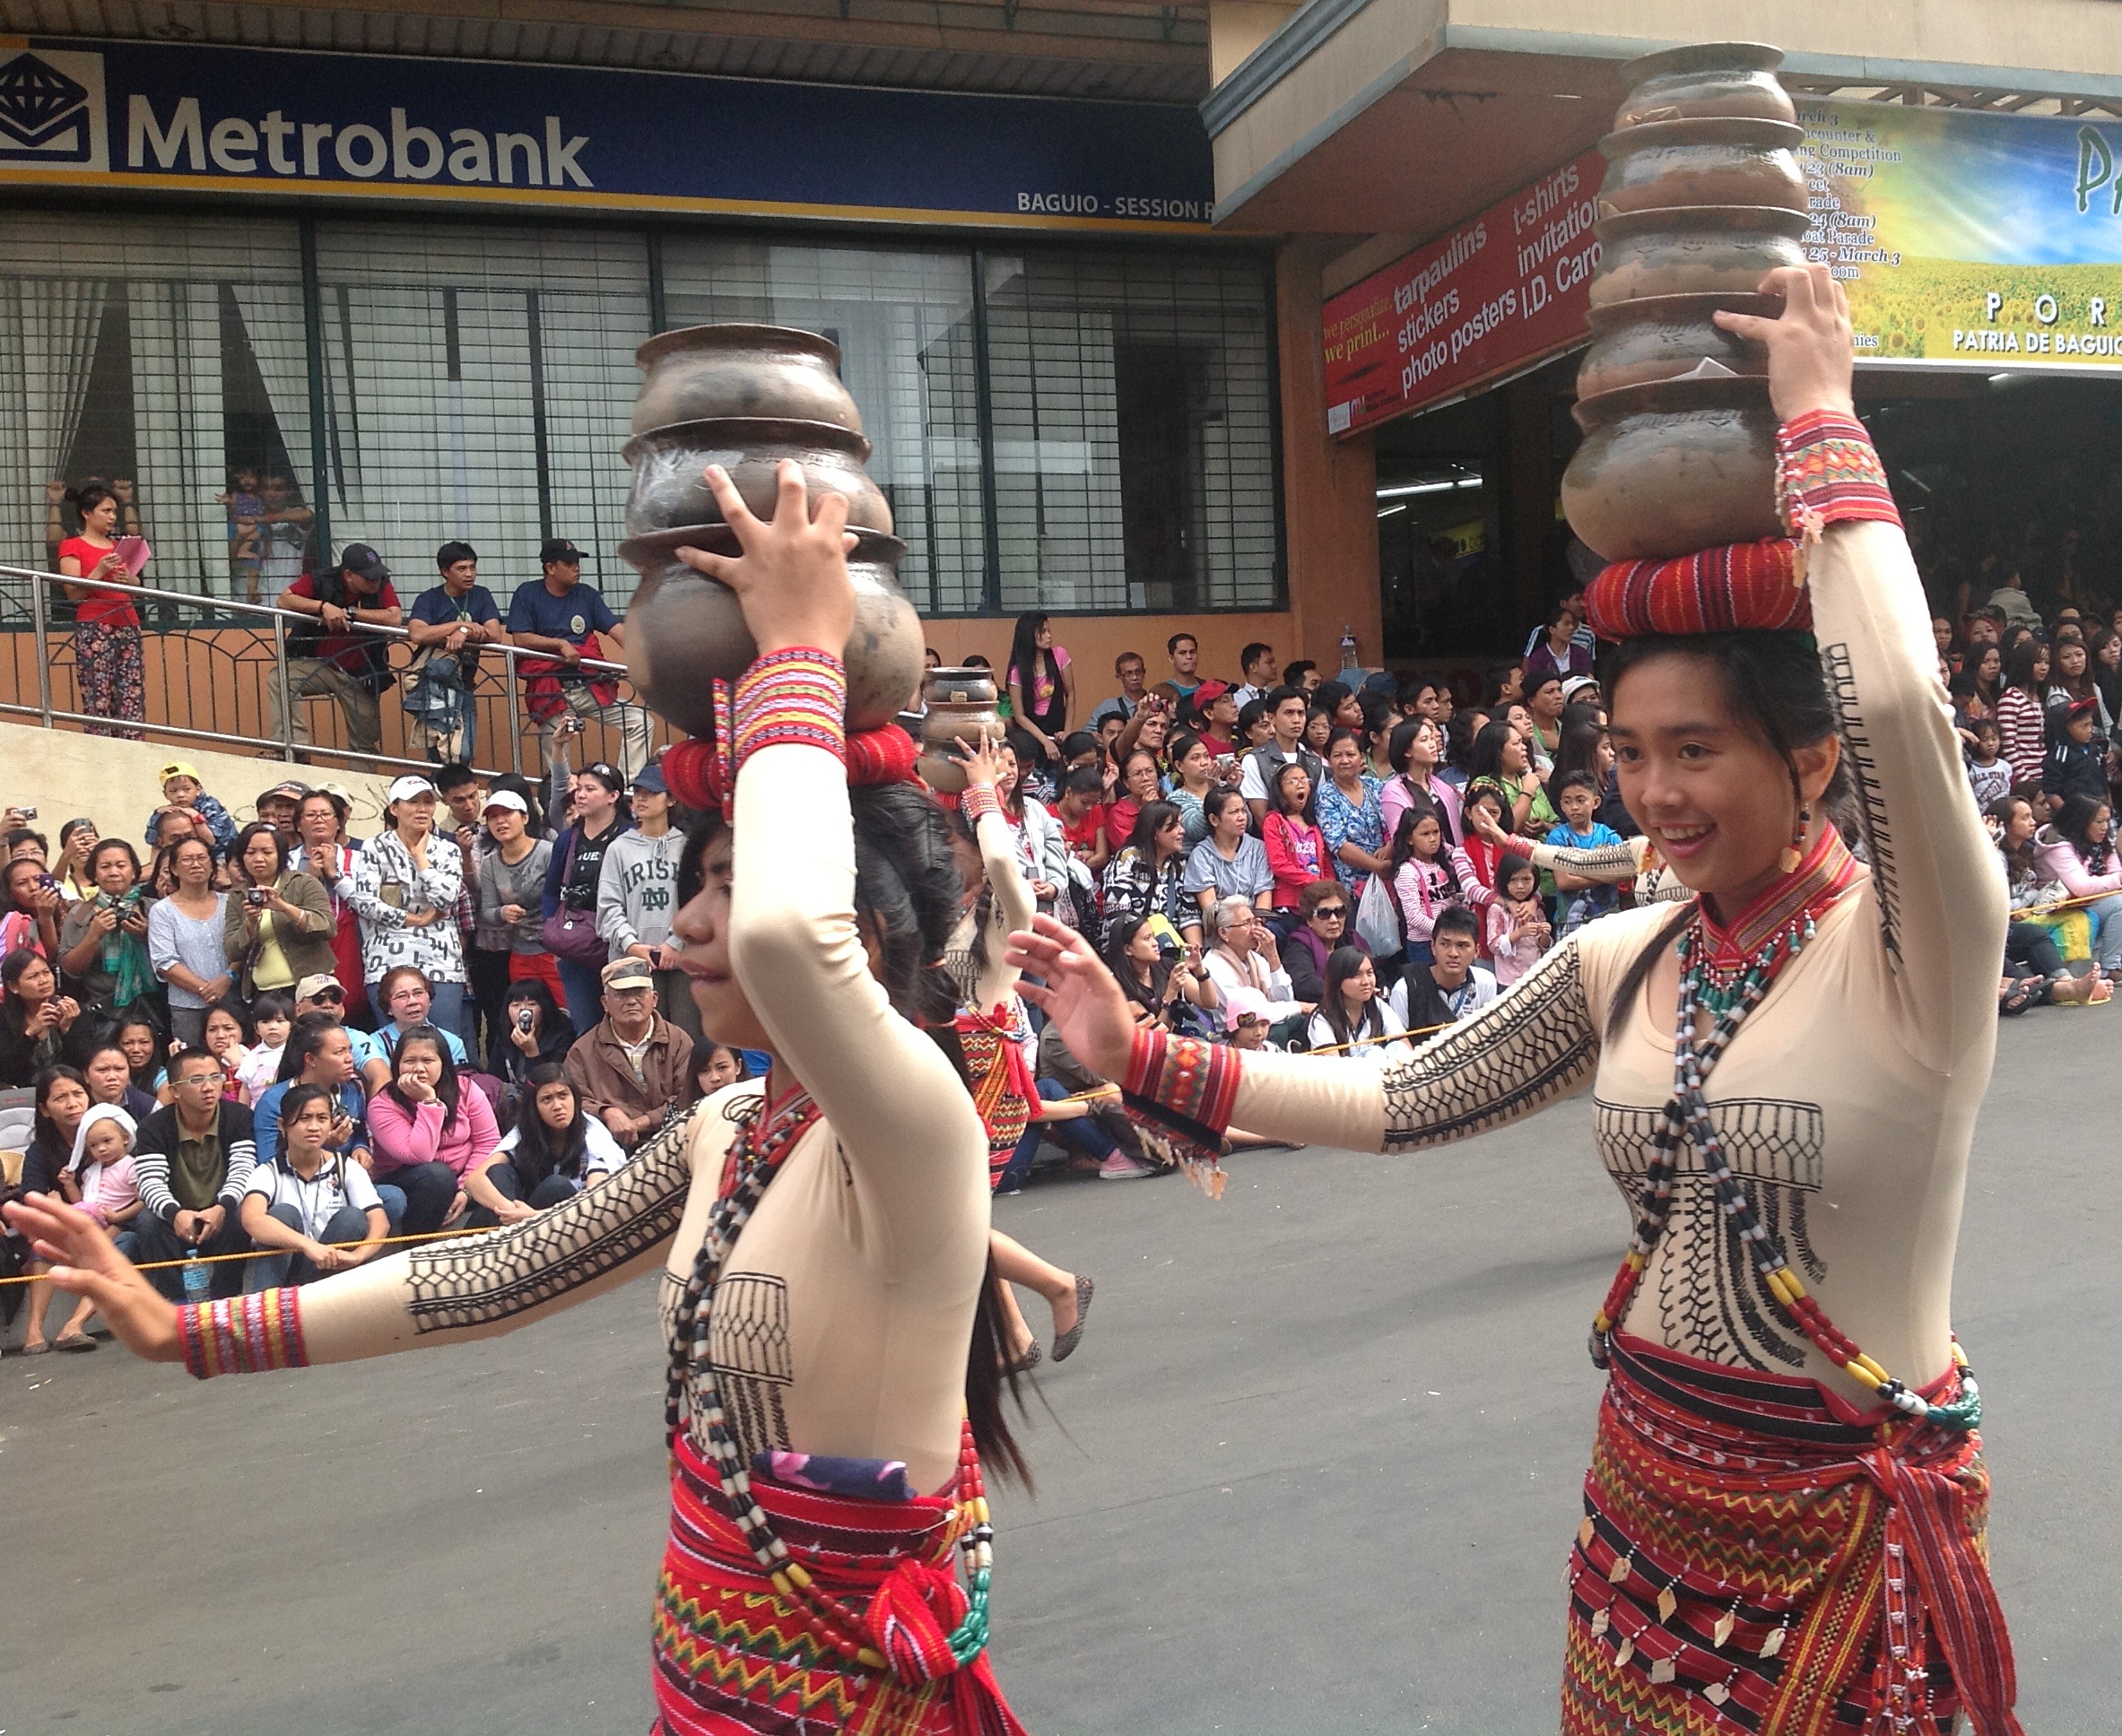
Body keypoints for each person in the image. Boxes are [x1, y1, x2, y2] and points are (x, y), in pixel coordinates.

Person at [1009, 271, 2024, 1736]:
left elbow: (1900, 714)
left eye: (1696, 750)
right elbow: (1406, 1094)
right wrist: (1140, 1052)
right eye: (1627, 749)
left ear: (1809, 759)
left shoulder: (1914, 952)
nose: (1654, 792)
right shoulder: (1629, 960)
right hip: (1641, 1537)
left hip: (1833, 1546)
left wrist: (1818, 424)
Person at [4, 460, 1031, 1735]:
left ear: (861, 933)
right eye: (696, 887)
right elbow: (490, 1278)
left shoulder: (915, 1127)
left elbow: (782, 938)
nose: (688, 926)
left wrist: (803, 649)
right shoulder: (731, 1129)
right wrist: (195, 1338)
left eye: (720, 883)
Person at [507, 537, 649, 777]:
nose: (576, 567)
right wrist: (560, 644)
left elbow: (616, 631)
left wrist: (647, 657)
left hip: (589, 686)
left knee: (640, 721)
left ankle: (624, 790)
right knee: (556, 746)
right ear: (550, 568)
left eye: (577, 562)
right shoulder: (527, 593)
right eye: (569, 562)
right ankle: (563, 800)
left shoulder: (586, 594)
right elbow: (520, 638)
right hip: (551, 690)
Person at [127, 1047, 259, 1300]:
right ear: (175, 1090)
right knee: (148, 1222)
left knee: (241, 1214)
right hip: (178, 1218)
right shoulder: (153, 1127)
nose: (209, 1087)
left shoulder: (239, 1117)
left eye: (215, 1077)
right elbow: (149, 1182)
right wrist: (175, 1213)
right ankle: (174, 1302)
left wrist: (222, 1207)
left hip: (221, 1211)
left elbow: (243, 1169)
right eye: (196, 1080)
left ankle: (226, 1299)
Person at [349, 775, 467, 1040]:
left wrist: (420, 859)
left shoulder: (448, 850)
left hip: (440, 959)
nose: (422, 809)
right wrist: (415, 919)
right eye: (413, 802)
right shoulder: (375, 847)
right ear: (394, 808)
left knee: (444, 1042)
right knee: (397, 1042)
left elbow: (448, 898)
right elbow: (366, 902)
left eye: (428, 802)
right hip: (386, 959)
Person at [239, 1082, 390, 1289]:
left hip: (333, 1273)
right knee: (283, 1213)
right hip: (286, 1275)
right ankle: (267, 1312)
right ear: (282, 1126)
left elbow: (379, 1221)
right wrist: (308, 1246)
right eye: (304, 1118)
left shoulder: (347, 1168)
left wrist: (357, 1256)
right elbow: (252, 1220)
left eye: (322, 1119)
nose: (314, 1127)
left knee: (352, 1217)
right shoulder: (268, 1172)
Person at [273, 542, 404, 754]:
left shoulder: (381, 585)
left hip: (362, 673)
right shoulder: (321, 579)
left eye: (378, 576)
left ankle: (362, 782)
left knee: (364, 743)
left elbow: (394, 617)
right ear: (349, 574)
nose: (375, 582)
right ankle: (294, 747)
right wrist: (323, 607)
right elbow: (284, 599)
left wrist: (349, 613)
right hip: (319, 666)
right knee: (280, 678)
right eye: (368, 577)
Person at [365, 1025, 496, 1234]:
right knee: (437, 1176)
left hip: (464, 1178)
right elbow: (418, 1155)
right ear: (396, 1065)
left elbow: (487, 1141)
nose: (418, 1068)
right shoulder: (383, 1104)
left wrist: (467, 1188)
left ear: (443, 1063)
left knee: (501, 1170)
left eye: (428, 1060)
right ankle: (416, 1243)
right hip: (408, 1180)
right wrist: (429, 1103)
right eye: (409, 1061)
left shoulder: (466, 1088)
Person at [596, 764, 694, 1041]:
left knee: (686, 1037)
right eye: (637, 792)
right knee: (642, 1038)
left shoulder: (686, 846)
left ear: (671, 799)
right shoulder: (619, 848)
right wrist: (631, 944)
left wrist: (675, 943)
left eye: (651, 792)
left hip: (682, 958)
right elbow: (608, 906)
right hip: (631, 959)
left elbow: (696, 902)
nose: (641, 799)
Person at [463, 1063, 626, 1227]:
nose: (557, 1106)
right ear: (534, 1107)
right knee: (499, 1171)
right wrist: (511, 1211)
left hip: (576, 1222)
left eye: (563, 1096)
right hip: (521, 1218)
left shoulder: (593, 1134)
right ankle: (504, 1239)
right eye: (546, 1099)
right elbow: (474, 1180)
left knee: (556, 1185)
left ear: (575, 1099)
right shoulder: (525, 1130)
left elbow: (594, 1204)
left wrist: (532, 1216)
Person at [563, 955, 696, 1152]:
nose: (632, 1001)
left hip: (674, 1141)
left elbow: (689, 1096)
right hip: (608, 1147)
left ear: (655, 999)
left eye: (639, 992)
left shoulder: (679, 1041)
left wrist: (642, 1122)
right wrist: (606, 1112)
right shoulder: (581, 1051)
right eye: (621, 994)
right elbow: (572, 1099)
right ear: (605, 1003)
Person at [543, 761, 631, 1033]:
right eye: (579, 788)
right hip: (576, 946)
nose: (580, 795)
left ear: (613, 796)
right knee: (587, 1029)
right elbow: (551, 889)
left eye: (590, 789)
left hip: (619, 944)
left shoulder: (630, 836)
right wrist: (551, 931)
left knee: (628, 1024)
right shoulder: (568, 838)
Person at [57, 481, 146, 739]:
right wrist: (99, 571)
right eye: (106, 511)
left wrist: (133, 582)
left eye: (114, 512)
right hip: (95, 624)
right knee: (98, 692)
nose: (112, 517)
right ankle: (100, 745)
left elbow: (132, 586)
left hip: (127, 622)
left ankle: (132, 745)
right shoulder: (72, 545)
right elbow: (73, 593)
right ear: (87, 512)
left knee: (131, 691)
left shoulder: (118, 546)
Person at [405, 541, 504, 764]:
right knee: (437, 754)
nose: (469, 574)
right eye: (462, 569)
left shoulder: (481, 595)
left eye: (472, 567)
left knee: (463, 753)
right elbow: (418, 635)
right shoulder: (429, 599)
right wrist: (462, 627)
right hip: (433, 688)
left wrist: (463, 631)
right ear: (445, 572)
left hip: (464, 685)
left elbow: (495, 634)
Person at [292, 789, 369, 1026]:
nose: (319, 820)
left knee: (351, 1005)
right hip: (303, 946)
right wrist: (311, 877)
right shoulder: (287, 860)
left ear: (339, 823)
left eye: (326, 814)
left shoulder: (360, 858)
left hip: (352, 942)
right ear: (298, 824)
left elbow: (368, 904)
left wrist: (334, 875)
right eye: (311, 815)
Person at [146, 835, 230, 1048]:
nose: (196, 864)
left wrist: (227, 979)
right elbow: (165, 962)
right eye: (187, 859)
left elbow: (245, 946)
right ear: (173, 868)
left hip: (232, 1001)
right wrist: (207, 990)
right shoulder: (162, 911)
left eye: (202, 858)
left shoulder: (229, 904)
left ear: (213, 866)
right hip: (187, 1007)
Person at [474, 788, 557, 999]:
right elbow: (488, 911)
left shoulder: (548, 852)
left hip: (556, 951)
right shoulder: (490, 863)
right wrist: (503, 913)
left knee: (565, 1012)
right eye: (493, 816)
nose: (500, 821)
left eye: (507, 813)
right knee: (526, 1011)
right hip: (520, 952)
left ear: (525, 817)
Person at [57, 839, 154, 1018]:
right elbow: (69, 971)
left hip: (151, 1004)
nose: (113, 872)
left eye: (121, 865)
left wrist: (147, 936)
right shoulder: (79, 914)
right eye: (105, 866)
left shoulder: (153, 909)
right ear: (94, 874)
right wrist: (93, 936)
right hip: (99, 1008)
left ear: (133, 871)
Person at [2032, 792, 2122, 972]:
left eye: (2107, 821)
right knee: (2120, 903)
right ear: (2080, 821)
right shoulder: (2058, 846)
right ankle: (2109, 968)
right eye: (2099, 822)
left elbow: (2115, 872)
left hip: (2089, 902)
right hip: (2058, 908)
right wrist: (2117, 880)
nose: (2105, 827)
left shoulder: (2101, 843)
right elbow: (2081, 887)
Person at [1200, 896, 1307, 1031]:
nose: (1255, 930)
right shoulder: (1213, 966)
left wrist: (1273, 958)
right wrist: (1299, 1007)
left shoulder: (1257, 960)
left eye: (1256, 922)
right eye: (1247, 924)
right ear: (1223, 933)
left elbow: (1285, 1000)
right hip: (1232, 1038)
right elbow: (1249, 1013)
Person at [1316, 728, 1387, 899]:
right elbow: (1339, 845)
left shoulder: (1376, 786)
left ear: (1361, 757)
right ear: (1329, 760)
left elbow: (1396, 824)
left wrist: (1389, 849)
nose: (1345, 761)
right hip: (1352, 886)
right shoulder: (1326, 795)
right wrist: (1377, 866)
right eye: (1337, 755)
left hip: (1387, 878)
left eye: (1350, 754)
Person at [1304, 947, 1409, 1062]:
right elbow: (1333, 1068)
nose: (1366, 982)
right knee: (1375, 1054)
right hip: (1346, 1077)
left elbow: (1403, 1045)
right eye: (1356, 975)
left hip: (1384, 1077)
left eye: (1369, 973)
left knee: (1397, 1048)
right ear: (1338, 981)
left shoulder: (1378, 1005)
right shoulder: (1322, 1017)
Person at [1239, 685, 1325, 823]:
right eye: (1289, 713)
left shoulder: (1314, 761)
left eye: (1301, 713)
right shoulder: (1254, 760)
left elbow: (1320, 810)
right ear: (1272, 718)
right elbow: (1262, 818)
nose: (1296, 720)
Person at [1183, 789, 1273, 921]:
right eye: (1233, 812)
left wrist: (1257, 924)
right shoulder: (1201, 855)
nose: (1242, 817)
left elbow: (1264, 892)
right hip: (1223, 928)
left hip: (1256, 923)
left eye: (1243, 810)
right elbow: (1210, 907)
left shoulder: (1258, 848)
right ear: (1214, 820)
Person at [1261, 760, 1333, 916]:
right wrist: (1313, 882)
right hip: (1290, 902)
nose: (1300, 785)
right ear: (1280, 790)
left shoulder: (1314, 825)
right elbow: (1279, 865)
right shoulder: (1274, 821)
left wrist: (1328, 887)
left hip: (1317, 902)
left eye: (1304, 780)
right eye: (1292, 781)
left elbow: (1326, 863)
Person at [1283, 878, 1370, 1004]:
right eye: (1324, 914)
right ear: (1309, 920)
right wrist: (1348, 993)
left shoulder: (1352, 939)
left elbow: (1375, 972)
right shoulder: (1298, 946)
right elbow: (1305, 984)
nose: (1334, 920)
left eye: (1340, 912)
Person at [0, 950, 80, 1087]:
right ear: (13, 986)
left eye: (46, 972)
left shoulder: (70, 1009)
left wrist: (66, 1029)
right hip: (21, 1095)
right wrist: (30, 1034)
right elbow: (6, 1071)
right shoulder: (4, 1017)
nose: (43, 981)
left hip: (67, 1090)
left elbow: (83, 1064)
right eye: (33, 977)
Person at [488, 975, 576, 1096]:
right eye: (516, 1005)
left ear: (544, 1007)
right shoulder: (504, 1033)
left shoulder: (562, 1035)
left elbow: (551, 1088)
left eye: (531, 1004)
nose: (523, 1011)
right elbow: (493, 1079)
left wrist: (532, 1052)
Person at [1005, 612, 1074, 767]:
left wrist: (1067, 731)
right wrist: (1045, 741)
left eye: (1049, 631)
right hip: (1031, 731)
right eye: (1043, 632)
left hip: (1057, 725)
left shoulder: (1059, 655)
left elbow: (1070, 695)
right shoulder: (1017, 672)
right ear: (1029, 635)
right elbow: (1020, 716)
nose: (1049, 636)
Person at [144, 762, 238, 861]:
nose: (180, 795)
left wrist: (196, 817)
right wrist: (157, 815)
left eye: (186, 789)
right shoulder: (166, 811)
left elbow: (211, 841)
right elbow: (151, 840)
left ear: (198, 789)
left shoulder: (210, 806)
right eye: (173, 791)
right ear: (165, 794)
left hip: (225, 853)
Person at [1485, 857, 1552, 987]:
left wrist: (1545, 934)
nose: (1520, 886)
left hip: (1535, 977)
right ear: (1504, 882)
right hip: (1509, 981)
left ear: (1535, 881)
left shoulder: (1535, 910)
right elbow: (1494, 946)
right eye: (1513, 880)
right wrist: (1519, 933)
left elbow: (1542, 946)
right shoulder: (1497, 910)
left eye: (1526, 879)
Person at [1995, 635, 2050, 786]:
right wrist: (2025, 780)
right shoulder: (2010, 698)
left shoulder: (2040, 698)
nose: (2044, 667)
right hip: (2025, 778)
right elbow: (2008, 745)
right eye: (2038, 662)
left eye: (2046, 662)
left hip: (2045, 774)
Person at [2041, 696, 2108, 811]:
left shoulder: (2095, 749)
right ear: (2065, 728)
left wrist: (2108, 804)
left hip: (2099, 809)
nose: (2090, 730)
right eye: (2084, 726)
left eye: (2091, 724)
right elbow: (2051, 792)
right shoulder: (2061, 754)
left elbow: (2104, 780)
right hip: (2076, 812)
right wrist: (2068, 815)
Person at [1, 856, 63, 964]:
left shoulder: (67, 908)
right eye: (22, 883)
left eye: (37, 880)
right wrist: (45, 917)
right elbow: (48, 957)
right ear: (10, 892)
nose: (33, 887)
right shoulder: (12, 923)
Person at [235, 993, 293, 1106]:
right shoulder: (251, 1058)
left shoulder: (295, 1053)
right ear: (256, 1028)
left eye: (280, 1021)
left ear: (291, 1025)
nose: (273, 1027)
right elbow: (245, 1089)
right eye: (265, 1022)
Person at [1525, 603, 1595, 688]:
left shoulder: (1581, 653)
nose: (1571, 627)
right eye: (1566, 624)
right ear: (1552, 629)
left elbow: (1589, 679)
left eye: (1572, 623)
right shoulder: (1538, 658)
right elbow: (1535, 686)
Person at [1090, 649, 1151, 728]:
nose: (1135, 677)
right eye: (1128, 674)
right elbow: (1087, 734)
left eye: (1138, 672)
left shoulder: (1155, 703)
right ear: (1119, 677)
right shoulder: (1108, 707)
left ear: (1144, 672)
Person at [1155, 630, 1202, 707]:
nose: (1189, 657)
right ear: (1171, 658)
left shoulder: (1207, 688)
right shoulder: (1161, 692)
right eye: (1182, 653)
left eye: (1192, 652)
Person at [1231, 641, 1279, 712]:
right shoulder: (1236, 699)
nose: (1275, 666)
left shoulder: (1277, 696)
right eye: (1269, 662)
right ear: (1253, 667)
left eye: (1274, 662)